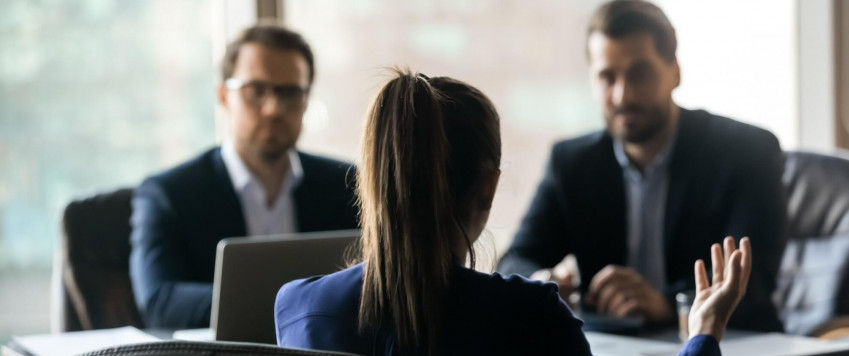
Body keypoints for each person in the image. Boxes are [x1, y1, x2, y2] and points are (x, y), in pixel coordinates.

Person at [273, 70, 751, 356]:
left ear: (374, 181)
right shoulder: (533, 318)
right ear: (488, 186)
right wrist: (703, 334)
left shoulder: (298, 308)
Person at [497, 0, 786, 332]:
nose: (623, 95)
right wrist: (544, 282)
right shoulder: (572, 163)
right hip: (612, 345)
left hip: (732, 342)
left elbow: (755, 279)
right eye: (607, 77)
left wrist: (666, 302)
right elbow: (515, 260)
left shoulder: (747, 151)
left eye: (640, 73)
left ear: (675, 72)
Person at [130, 25, 359, 328]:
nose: (273, 108)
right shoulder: (169, 194)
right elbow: (159, 300)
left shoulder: (347, 184)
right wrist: (286, 303)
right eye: (256, 91)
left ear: (306, 99)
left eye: (289, 93)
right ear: (224, 96)